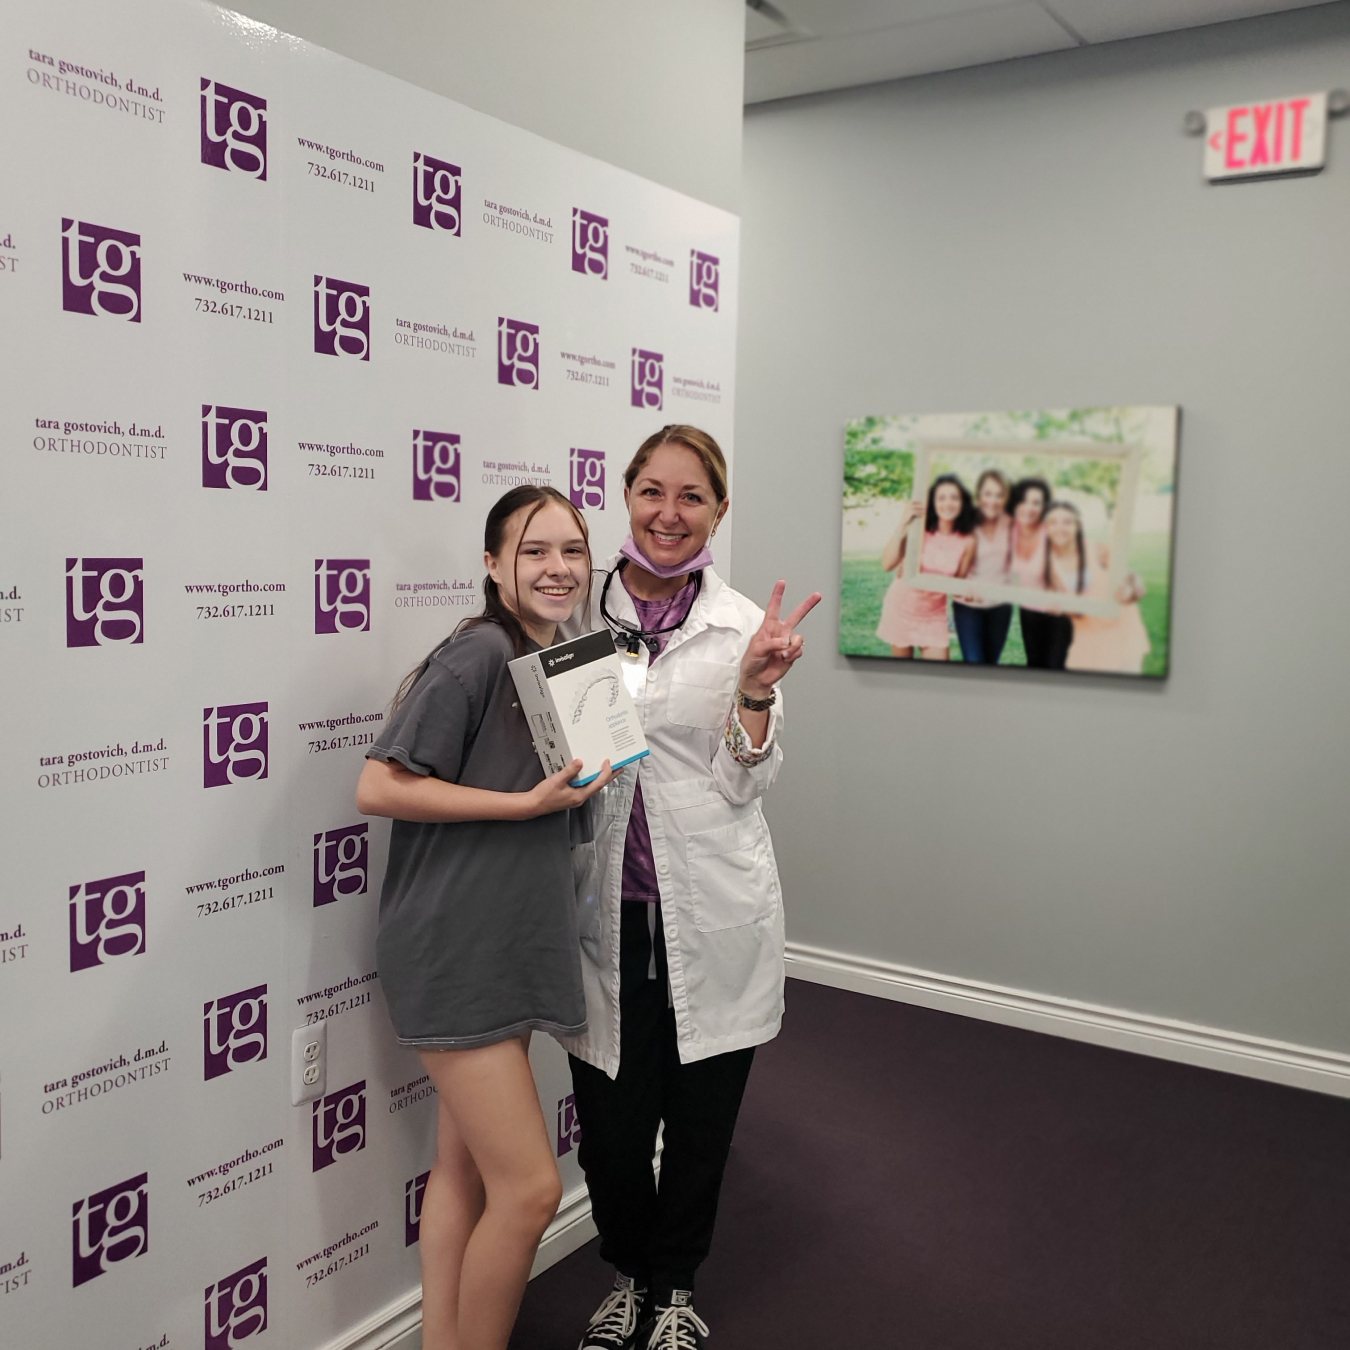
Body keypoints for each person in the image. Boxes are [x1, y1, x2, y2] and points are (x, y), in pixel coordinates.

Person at [564, 424, 820, 1350]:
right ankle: (628, 1273)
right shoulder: (574, 618)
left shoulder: (745, 627)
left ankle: (673, 1288)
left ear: (718, 510)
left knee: (701, 1120)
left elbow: (748, 781)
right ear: (626, 495)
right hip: (605, 914)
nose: (669, 514)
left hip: (710, 912)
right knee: (611, 1130)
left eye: (692, 496)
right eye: (653, 492)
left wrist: (752, 691)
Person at [355, 485, 619, 1350]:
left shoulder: (562, 659)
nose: (557, 568)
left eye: (572, 551)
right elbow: (378, 785)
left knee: (462, 1168)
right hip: (456, 946)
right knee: (533, 1190)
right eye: (534, 550)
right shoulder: (480, 651)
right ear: (492, 563)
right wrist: (524, 806)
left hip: (510, 939)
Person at [875, 473, 976, 660]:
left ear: (963, 503)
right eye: (941, 498)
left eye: (954, 498)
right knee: (901, 674)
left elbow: (958, 584)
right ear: (933, 503)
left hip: (934, 617)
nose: (948, 503)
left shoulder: (967, 541)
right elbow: (887, 564)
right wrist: (903, 523)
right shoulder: (918, 530)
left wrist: (968, 592)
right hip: (901, 609)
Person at [1043, 500, 1151, 674]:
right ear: (1045, 528)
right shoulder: (1048, 563)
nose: (1060, 528)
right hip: (1087, 636)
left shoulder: (1096, 549)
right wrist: (1061, 608)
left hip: (1121, 633)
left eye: (1067, 522)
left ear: (1078, 525)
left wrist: (1133, 586)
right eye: (1053, 522)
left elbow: (1132, 579)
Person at [952, 467, 1014, 664]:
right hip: (969, 605)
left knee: (991, 664)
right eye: (988, 494)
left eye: (999, 495)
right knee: (974, 662)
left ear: (1006, 498)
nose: (993, 501)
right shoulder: (966, 521)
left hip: (1000, 606)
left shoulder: (1012, 524)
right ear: (979, 495)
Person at [1007, 475, 1069, 669]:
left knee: (1056, 670)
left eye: (1036, 503)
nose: (1029, 508)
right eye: (1024, 501)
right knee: (1034, 667)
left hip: (1058, 612)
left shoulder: (1052, 531)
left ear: (1045, 507)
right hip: (1029, 611)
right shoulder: (1010, 531)